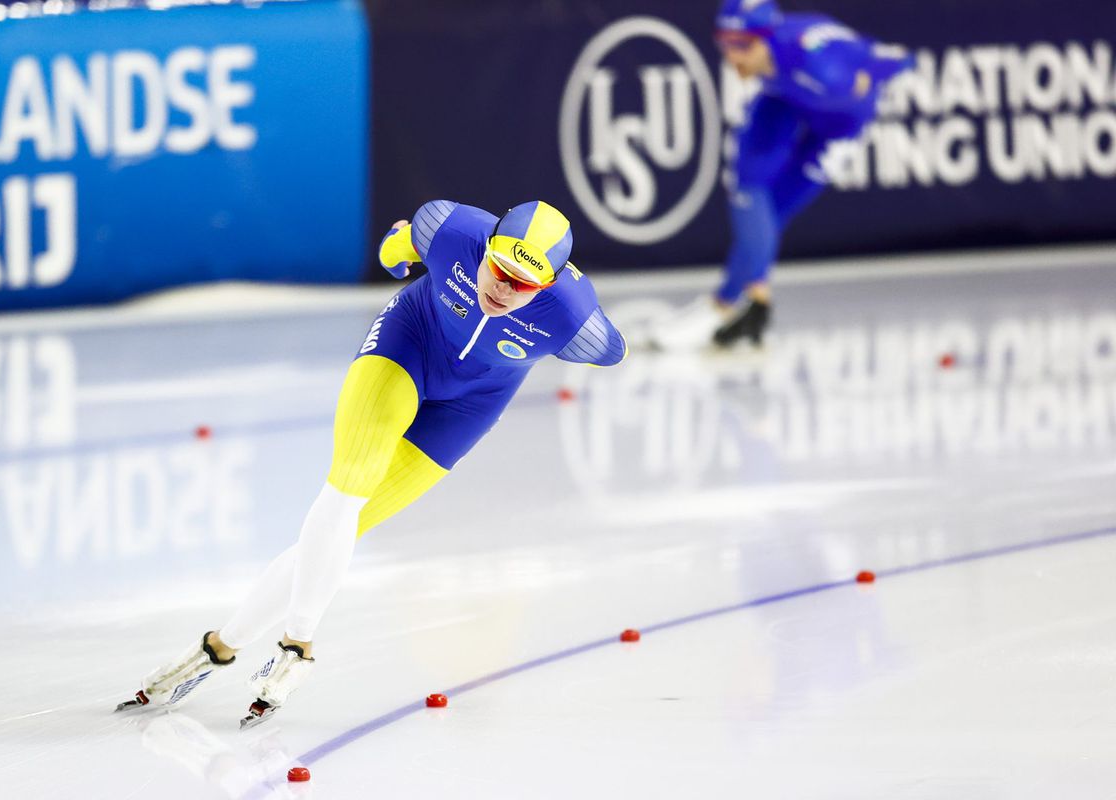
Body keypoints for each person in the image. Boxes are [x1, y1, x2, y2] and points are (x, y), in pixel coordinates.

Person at [116, 199, 626, 727]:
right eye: (498, 268)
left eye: (522, 284)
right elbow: (393, 251)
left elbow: (615, 350)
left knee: (339, 529)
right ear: (487, 247)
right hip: (409, 345)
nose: (502, 287)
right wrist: (395, 247)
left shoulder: (573, 319)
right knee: (347, 487)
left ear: (547, 287)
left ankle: (218, 649)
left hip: (471, 404)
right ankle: (298, 645)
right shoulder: (448, 230)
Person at [651, 0, 914, 350]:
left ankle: (728, 303)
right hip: (784, 99)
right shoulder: (773, 50)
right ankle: (745, 300)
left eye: (742, 45)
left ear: (766, 40)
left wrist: (873, 76)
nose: (733, 57)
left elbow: (897, 57)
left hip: (838, 126)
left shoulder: (824, 69)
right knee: (748, 191)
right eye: (725, 43)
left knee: (773, 211)